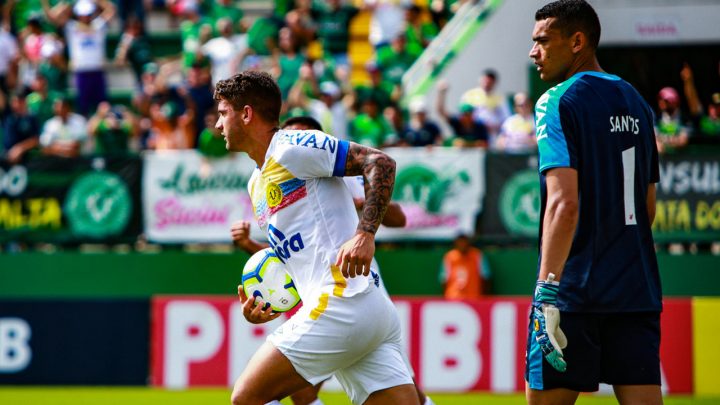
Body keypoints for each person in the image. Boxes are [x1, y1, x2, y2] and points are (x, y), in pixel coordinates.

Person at [214, 71, 419, 405]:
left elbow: (379, 162)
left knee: (246, 398)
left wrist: (365, 234)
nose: (218, 125)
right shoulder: (257, 183)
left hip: (342, 302)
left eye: (223, 114)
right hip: (364, 309)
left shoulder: (290, 147)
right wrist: (268, 302)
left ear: (246, 114)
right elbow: (303, 257)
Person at [526, 2, 662, 405]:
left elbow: (563, 206)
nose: (534, 51)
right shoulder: (637, 101)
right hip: (636, 292)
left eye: (543, 41)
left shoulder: (556, 101)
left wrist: (546, 291)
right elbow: (648, 206)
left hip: (572, 294)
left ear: (578, 41)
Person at [439, 233, 491, 300]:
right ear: (455, 243)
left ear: (468, 242)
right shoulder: (449, 257)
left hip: (474, 298)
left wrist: (483, 298)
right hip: (453, 298)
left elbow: (486, 278)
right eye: (460, 242)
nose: (462, 244)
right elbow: (443, 279)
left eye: (464, 242)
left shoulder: (477, 255)